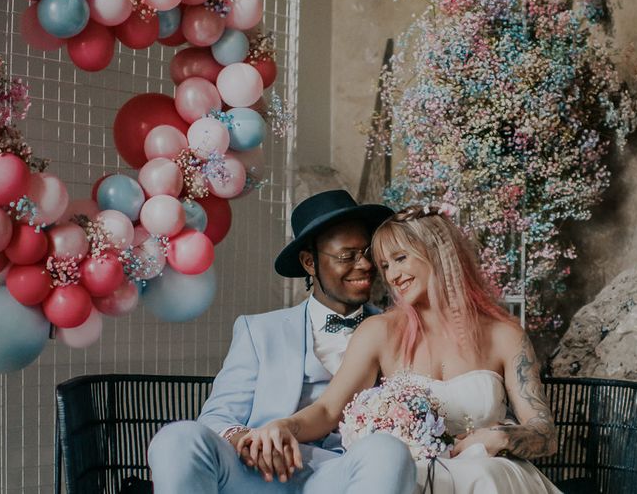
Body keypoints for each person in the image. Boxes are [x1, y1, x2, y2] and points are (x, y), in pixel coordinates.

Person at [240, 205, 563, 494]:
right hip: (412, 477)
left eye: (400, 259)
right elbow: (327, 411)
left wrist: (500, 439)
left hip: (489, 473)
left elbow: (546, 435)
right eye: (384, 266)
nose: (392, 276)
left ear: (438, 252)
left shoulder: (505, 335)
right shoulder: (379, 332)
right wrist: (284, 426)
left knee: (484, 475)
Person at [147, 189, 417, 494]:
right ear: (309, 262)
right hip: (258, 473)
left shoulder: (395, 331)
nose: (365, 265)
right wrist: (246, 441)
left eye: (368, 253)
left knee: (387, 451)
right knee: (178, 437)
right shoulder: (259, 331)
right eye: (347, 256)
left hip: (341, 473)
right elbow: (216, 417)